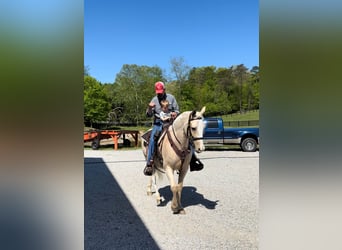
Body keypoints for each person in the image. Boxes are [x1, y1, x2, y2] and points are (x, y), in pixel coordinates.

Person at [143, 81, 204, 176]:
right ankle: (150, 162)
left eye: (161, 92)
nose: (159, 94)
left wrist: (175, 113)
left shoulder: (171, 98)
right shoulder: (154, 100)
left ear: (164, 90)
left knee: (187, 136)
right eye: (158, 92)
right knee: (152, 138)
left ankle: (193, 159)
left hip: (171, 123)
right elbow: (148, 114)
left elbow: (177, 110)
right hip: (158, 123)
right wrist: (150, 108)